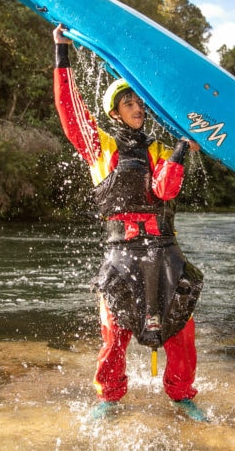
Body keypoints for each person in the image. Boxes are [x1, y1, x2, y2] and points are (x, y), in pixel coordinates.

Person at [52, 24, 205, 420]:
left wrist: (180, 151)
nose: (138, 108)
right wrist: (62, 52)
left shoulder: (159, 147)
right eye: (129, 103)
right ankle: (108, 397)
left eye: (141, 102)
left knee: (181, 330)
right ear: (115, 111)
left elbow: (165, 191)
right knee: (113, 332)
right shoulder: (98, 145)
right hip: (122, 252)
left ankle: (182, 395)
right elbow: (70, 110)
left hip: (164, 250)